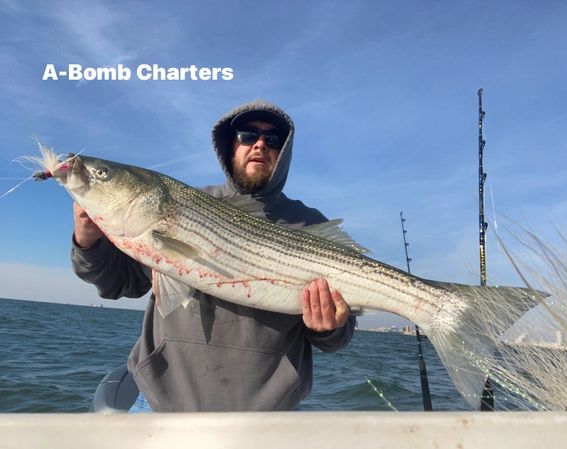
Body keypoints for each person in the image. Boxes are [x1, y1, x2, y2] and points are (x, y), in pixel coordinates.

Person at [71, 100, 356, 412]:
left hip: (268, 417)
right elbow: (117, 284)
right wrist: (88, 243)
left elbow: (339, 335)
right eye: (248, 135)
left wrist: (329, 327)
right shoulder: (184, 203)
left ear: (283, 153)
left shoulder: (310, 222)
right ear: (230, 145)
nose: (260, 144)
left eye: (273, 140)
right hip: (161, 403)